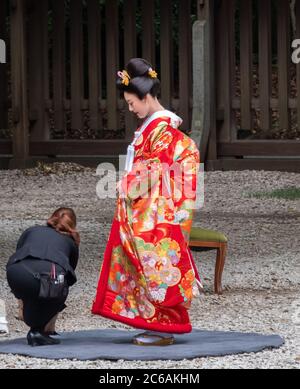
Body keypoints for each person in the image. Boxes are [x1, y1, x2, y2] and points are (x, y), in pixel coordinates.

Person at [92, 58, 202, 346]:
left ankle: (164, 325)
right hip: (149, 206)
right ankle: (154, 322)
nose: (131, 109)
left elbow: (155, 166)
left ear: (146, 97)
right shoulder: (154, 128)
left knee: (155, 263)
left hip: (157, 211)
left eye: (131, 103)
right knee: (142, 263)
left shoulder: (162, 130)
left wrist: (127, 183)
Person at [6, 207, 80, 346]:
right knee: (59, 286)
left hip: (15, 272)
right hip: (48, 275)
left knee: (40, 284)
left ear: (52, 218)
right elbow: (68, 276)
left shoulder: (32, 230)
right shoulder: (70, 242)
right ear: (73, 225)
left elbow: (20, 252)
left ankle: (30, 315)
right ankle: (37, 331)